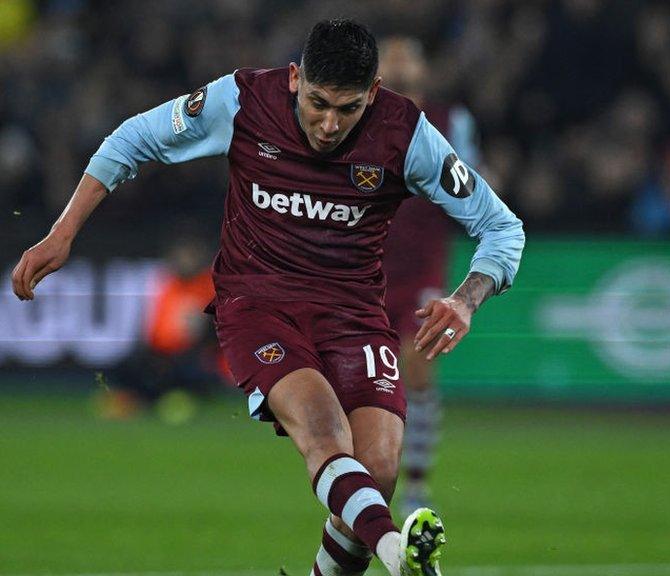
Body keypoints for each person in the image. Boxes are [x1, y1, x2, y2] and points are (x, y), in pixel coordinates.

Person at [11, 19, 525, 576]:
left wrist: (467, 299)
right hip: (259, 305)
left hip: (353, 313)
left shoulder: (408, 135)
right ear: (294, 79)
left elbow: (503, 228)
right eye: (318, 102)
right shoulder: (240, 100)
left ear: (374, 95)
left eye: (348, 109)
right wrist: (63, 232)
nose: (329, 124)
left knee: (375, 472)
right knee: (326, 436)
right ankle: (397, 554)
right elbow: (133, 138)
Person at [378, 36, 480, 517]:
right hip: (363, 264)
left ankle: (415, 483)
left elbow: (472, 187)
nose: (399, 71)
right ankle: (365, 477)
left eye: (407, 63)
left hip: (421, 263)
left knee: (417, 369)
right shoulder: (355, 118)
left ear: (421, 72)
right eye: (390, 64)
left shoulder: (450, 122)